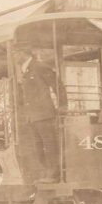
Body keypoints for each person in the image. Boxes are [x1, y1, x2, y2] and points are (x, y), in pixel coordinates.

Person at [15, 47, 67, 183]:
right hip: (33, 117)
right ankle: (47, 174)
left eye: (15, 53)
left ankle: (54, 175)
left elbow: (58, 85)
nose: (14, 56)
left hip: (45, 115)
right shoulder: (24, 70)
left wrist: (62, 105)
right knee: (38, 147)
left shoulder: (39, 67)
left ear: (24, 52)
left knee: (49, 145)